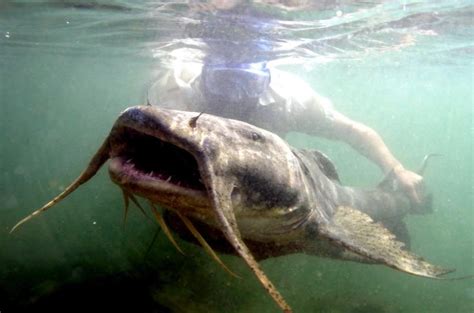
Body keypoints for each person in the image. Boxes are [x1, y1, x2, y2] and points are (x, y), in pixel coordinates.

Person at [148, 0, 425, 205]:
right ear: (204, 74)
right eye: (223, 82)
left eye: (248, 83)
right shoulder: (175, 90)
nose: (235, 97)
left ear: (267, 77)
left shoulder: (291, 97)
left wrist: (397, 170)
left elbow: (353, 131)